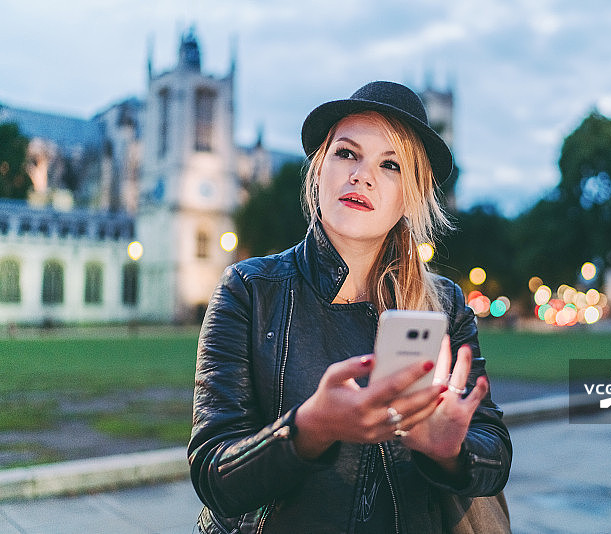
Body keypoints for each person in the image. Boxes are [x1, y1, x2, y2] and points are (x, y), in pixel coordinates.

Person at [188, 81, 512, 533]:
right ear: (318, 168)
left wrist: (449, 450)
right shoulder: (248, 289)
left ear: (410, 196)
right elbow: (213, 475)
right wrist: (309, 428)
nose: (363, 175)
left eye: (391, 164)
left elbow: (494, 453)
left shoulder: (445, 304)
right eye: (346, 153)